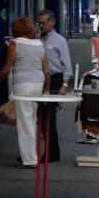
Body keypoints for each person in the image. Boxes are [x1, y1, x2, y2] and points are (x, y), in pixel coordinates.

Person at [0, 17, 50, 168]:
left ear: (15, 29)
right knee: (31, 120)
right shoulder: (39, 44)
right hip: (38, 83)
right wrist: (46, 89)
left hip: (23, 84)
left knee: (24, 123)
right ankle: (31, 156)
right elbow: (47, 70)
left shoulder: (15, 44)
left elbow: (6, 69)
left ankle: (30, 160)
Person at [37, 10, 73, 163]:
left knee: (49, 118)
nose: (41, 26)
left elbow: (67, 65)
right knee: (40, 118)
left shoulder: (59, 40)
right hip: (41, 80)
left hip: (55, 80)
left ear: (52, 22)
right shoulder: (39, 40)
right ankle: (42, 153)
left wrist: (64, 85)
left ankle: (52, 154)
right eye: (39, 23)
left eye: (44, 22)